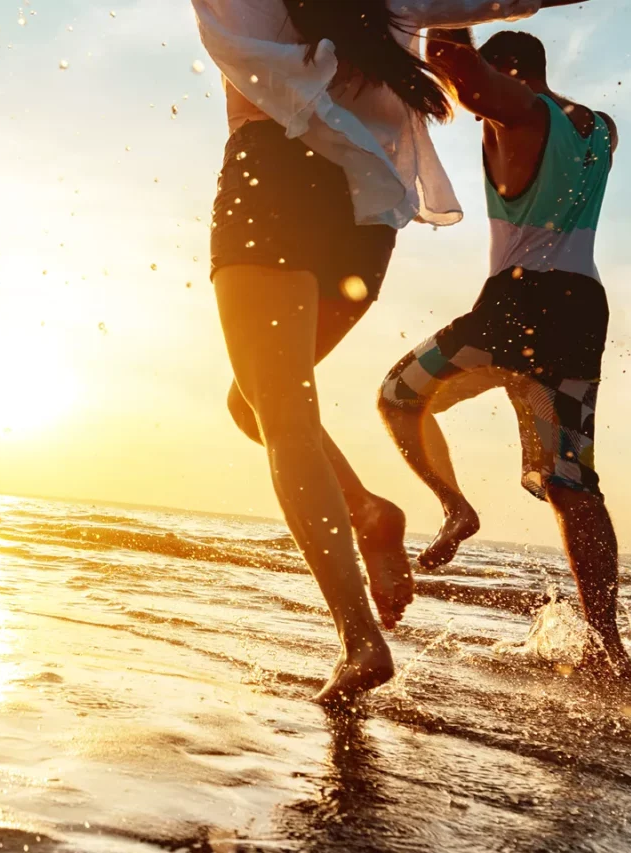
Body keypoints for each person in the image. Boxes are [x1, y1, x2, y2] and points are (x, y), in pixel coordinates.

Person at [193, 0, 589, 705]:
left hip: (272, 181)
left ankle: (358, 638)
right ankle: (370, 514)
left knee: (280, 413)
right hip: (363, 219)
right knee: (252, 401)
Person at [377, 27, 631, 675]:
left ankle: (456, 506)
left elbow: (451, 63)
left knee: (400, 395)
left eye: (489, 89)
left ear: (511, 73)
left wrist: (450, 15)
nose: (476, 110)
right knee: (571, 481)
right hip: (581, 307)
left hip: (518, 306)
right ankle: (610, 646)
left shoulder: (519, 108)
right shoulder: (601, 127)